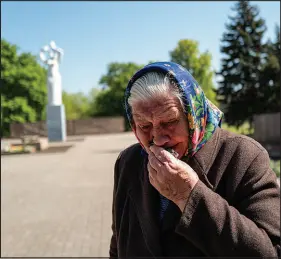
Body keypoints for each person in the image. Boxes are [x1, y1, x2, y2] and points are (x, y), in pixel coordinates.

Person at [109, 62, 280, 257]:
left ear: (193, 115)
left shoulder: (244, 156)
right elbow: (117, 244)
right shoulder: (128, 162)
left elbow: (270, 252)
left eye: (170, 122)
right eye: (144, 125)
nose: (158, 139)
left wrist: (188, 196)